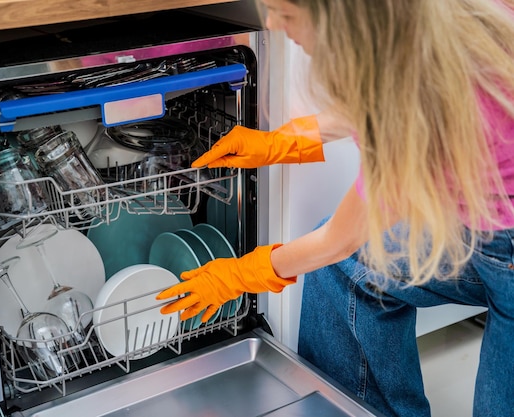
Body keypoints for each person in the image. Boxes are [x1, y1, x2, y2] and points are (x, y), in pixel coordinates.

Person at [157, 0, 514, 416]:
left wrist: (240, 275)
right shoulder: (426, 22)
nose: (271, 23)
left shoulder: (404, 96)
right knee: (348, 273)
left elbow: (339, 240)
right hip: (485, 231)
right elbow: (388, 97)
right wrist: (281, 142)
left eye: (285, 12)